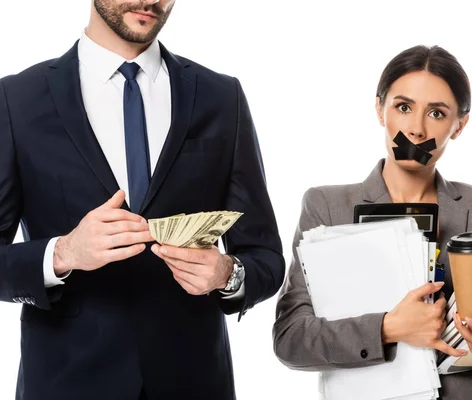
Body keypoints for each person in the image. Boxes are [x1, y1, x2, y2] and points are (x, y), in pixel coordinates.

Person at [0, 1, 284, 399]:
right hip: (67, 382)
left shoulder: (221, 96)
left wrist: (227, 275)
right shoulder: (17, 99)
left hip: (194, 382)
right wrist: (62, 253)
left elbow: (265, 255)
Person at [273, 45, 472, 400]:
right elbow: (291, 338)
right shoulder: (326, 206)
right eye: (403, 107)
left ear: (459, 125)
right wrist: (387, 328)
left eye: (436, 113)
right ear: (379, 110)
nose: (415, 130)